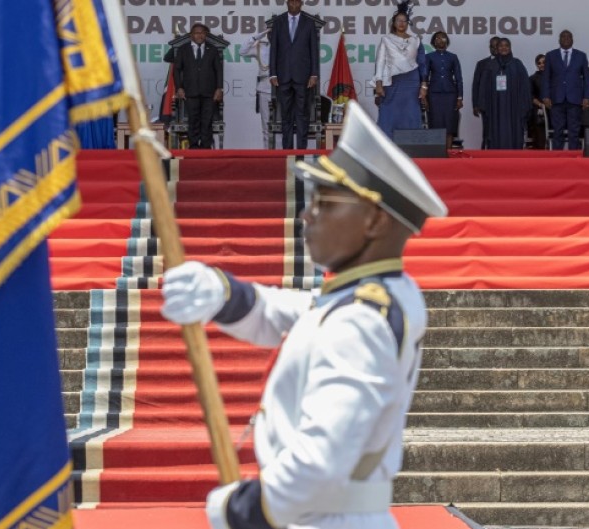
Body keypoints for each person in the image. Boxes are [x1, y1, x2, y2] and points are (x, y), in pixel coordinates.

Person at [160, 101, 446, 529]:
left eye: (325, 204)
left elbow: (321, 461)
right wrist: (222, 292)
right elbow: (291, 314)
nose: (306, 215)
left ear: (373, 220)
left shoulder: (361, 320)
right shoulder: (371, 296)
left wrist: (241, 509)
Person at [373, 1, 429, 137]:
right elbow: (380, 62)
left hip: (411, 82)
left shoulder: (416, 40)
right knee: (389, 114)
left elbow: (422, 64)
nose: (401, 23)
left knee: (410, 114)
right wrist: (379, 84)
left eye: (404, 21)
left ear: (408, 23)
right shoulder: (386, 39)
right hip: (392, 82)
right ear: (394, 22)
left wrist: (424, 86)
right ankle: (387, 146)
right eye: (399, 20)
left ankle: (411, 147)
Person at [269, 0, 319, 149]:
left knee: (303, 116)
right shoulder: (278, 22)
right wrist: (273, 74)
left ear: (301, 4)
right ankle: (287, 153)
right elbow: (274, 50)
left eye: (297, 2)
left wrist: (314, 74)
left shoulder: (309, 23)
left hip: (303, 77)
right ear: (287, 3)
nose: (294, 5)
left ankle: (300, 154)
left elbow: (314, 51)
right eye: (291, 2)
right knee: (286, 117)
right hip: (283, 77)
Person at [173, 23, 223, 149]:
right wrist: (179, 87)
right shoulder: (183, 49)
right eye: (197, 33)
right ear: (191, 35)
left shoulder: (212, 49)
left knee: (207, 121)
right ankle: (194, 147)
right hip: (190, 91)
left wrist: (219, 88)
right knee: (193, 121)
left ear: (205, 35)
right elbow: (177, 70)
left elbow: (218, 70)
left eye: (202, 33)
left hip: (209, 92)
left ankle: (206, 147)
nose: (199, 35)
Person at [476, 38, 531, 150]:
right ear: (497, 48)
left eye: (506, 45)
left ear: (510, 48)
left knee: (515, 132)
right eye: (501, 46)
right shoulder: (490, 66)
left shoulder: (517, 64)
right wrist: (482, 104)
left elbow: (525, 86)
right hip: (495, 108)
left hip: (514, 108)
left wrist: (525, 105)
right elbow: (483, 87)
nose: (504, 48)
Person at [542, 30, 589, 150]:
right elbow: (546, 77)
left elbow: (586, 78)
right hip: (556, 99)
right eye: (563, 37)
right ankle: (557, 159)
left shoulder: (581, 55)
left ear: (572, 40)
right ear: (558, 40)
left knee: (574, 132)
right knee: (557, 131)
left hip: (575, 100)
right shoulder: (550, 55)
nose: (565, 39)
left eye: (568, 37)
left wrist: (587, 97)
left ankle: (573, 157)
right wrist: (545, 96)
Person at [425, 31, 462, 150]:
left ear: (447, 41)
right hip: (434, 95)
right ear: (433, 42)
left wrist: (460, 97)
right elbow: (424, 77)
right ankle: (437, 153)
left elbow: (459, 78)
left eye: (443, 38)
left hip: (450, 95)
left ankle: (449, 151)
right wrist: (424, 97)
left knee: (449, 124)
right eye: (437, 38)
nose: (440, 40)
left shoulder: (453, 57)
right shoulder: (429, 57)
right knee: (436, 123)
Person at [239, 30, 271, 148]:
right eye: (270, 32)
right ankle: (269, 155)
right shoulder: (260, 46)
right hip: (265, 87)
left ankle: (281, 155)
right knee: (266, 125)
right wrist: (257, 36)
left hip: (283, 89)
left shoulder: (288, 46)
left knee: (282, 125)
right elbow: (242, 51)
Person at [471, 36, 500, 148]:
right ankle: (485, 154)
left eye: (496, 46)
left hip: (503, 104)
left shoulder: (509, 63)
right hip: (486, 104)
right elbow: (476, 85)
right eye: (492, 46)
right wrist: (475, 104)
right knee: (487, 132)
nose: (494, 49)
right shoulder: (482, 64)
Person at [528, 54, 547, 149]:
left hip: (554, 109)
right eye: (539, 63)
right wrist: (541, 104)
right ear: (536, 65)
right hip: (539, 110)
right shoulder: (532, 78)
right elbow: (530, 96)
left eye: (544, 62)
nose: (542, 65)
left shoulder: (555, 77)